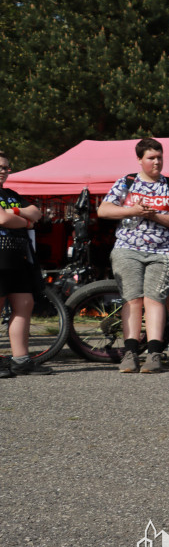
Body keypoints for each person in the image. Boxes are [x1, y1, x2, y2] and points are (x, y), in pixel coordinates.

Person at [97, 138, 169, 373]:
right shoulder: (127, 182)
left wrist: (154, 216)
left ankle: (155, 354)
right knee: (133, 299)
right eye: (151, 157)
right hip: (128, 249)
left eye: (159, 157)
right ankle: (130, 353)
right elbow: (104, 210)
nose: (157, 161)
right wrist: (134, 211)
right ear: (139, 159)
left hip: (162, 252)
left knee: (155, 299)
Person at [0, 150, 54, 378]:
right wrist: (23, 220)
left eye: (6, 167)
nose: (3, 171)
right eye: (0, 167)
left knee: (25, 304)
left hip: (18, 255)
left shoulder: (11, 194)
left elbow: (37, 213)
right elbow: (2, 219)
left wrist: (15, 213)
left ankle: (21, 360)